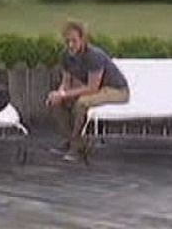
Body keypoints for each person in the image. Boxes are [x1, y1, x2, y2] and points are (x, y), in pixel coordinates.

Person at [45, 21, 130, 162]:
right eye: (67, 41)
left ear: (83, 40)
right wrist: (59, 94)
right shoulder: (66, 55)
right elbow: (66, 82)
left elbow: (92, 88)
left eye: (74, 41)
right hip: (95, 88)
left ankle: (75, 147)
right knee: (54, 103)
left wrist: (64, 94)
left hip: (116, 90)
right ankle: (72, 141)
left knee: (81, 103)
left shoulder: (93, 56)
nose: (70, 45)